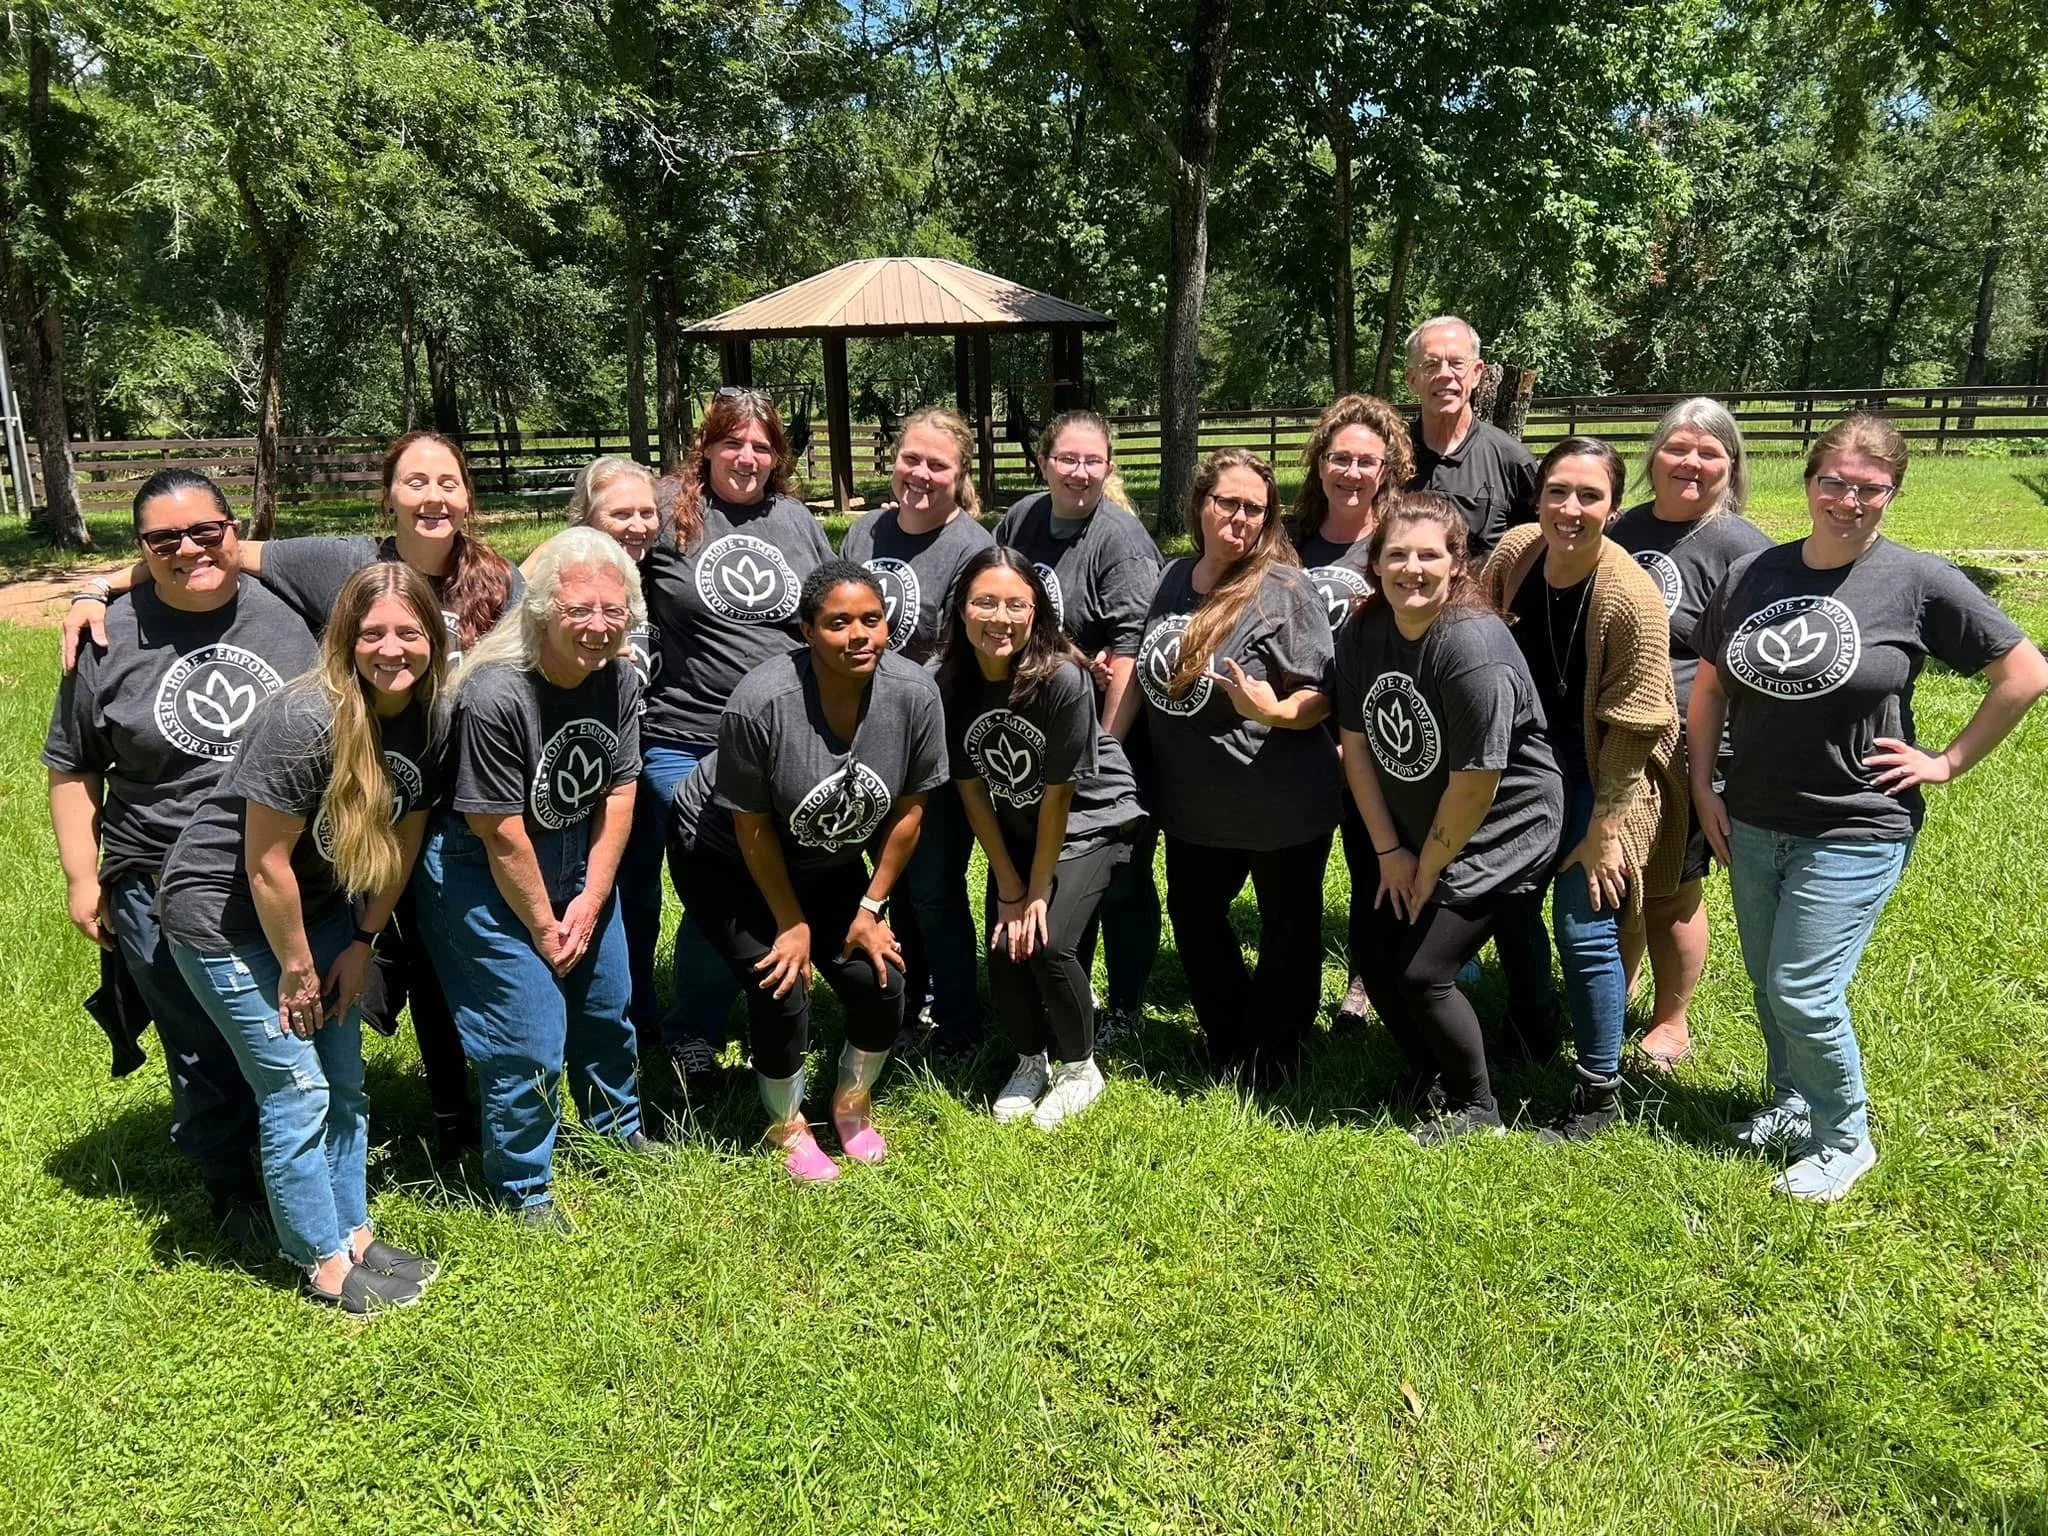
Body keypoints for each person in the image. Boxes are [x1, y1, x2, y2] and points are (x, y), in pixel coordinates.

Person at [64, 430, 522, 1164]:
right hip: (328, 821)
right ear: (388, 495)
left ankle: (446, 1115)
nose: (433, 497)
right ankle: (258, 1164)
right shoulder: (340, 564)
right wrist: (95, 588)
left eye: (448, 481)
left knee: (437, 967)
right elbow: (202, 552)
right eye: (415, 481)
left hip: (441, 814)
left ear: (468, 494)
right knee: (314, 981)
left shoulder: (502, 582)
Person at [1692, 413, 2048, 1201]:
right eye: (1833, 482)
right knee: (1766, 979)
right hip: (1752, 814)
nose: (1848, 500)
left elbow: (2024, 672)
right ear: (1810, 480)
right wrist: (1700, 786)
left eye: (1868, 488)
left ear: (1892, 493)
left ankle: (1845, 1136)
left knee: (1803, 988)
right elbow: (1711, 686)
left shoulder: (1918, 580)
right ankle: (1792, 1102)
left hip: (1856, 822)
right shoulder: (1756, 573)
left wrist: (1946, 761)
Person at [157, 563, 446, 1313]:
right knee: (297, 1086)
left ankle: (353, 1232)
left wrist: (361, 942)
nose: (392, 648)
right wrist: (295, 969)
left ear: (433, 638)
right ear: (345, 639)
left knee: (344, 1081)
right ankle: (319, 1262)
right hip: (223, 916)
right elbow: (263, 862)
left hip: (319, 909)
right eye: (372, 632)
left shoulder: (429, 715)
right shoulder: (306, 719)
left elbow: (404, 835)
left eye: (409, 632)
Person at [44, 470, 319, 1242]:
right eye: (164, 539)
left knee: (292, 1028)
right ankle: (232, 1190)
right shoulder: (106, 637)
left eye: (207, 532)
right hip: (156, 872)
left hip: (287, 868)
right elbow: (73, 767)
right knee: (201, 1045)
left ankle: (305, 1169)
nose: (189, 549)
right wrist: (79, 879)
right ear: (143, 550)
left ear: (238, 532)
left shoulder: (290, 611)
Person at [667, 562, 946, 1182]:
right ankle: (785, 1124)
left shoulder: (914, 694)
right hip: (726, 856)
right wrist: (791, 923)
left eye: (872, 620)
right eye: (838, 623)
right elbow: (751, 826)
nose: (859, 636)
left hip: (826, 856)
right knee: (780, 985)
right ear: (806, 631)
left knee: (882, 981)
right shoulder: (761, 702)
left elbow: (908, 813)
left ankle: (850, 1104)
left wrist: (870, 909)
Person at [413, 528, 651, 1226]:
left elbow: (621, 791)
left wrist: (592, 897)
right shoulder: (496, 694)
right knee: (527, 1037)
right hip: (480, 872)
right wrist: (548, 926)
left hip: (576, 855)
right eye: (579, 610)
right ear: (542, 610)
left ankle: (616, 1127)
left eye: (614, 611)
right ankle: (524, 1189)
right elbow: (498, 828)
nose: (598, 627)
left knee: (607, 1007)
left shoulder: (620, 680)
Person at [1336, 494, 1564, 1141]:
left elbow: (1476, 785)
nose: (1412, 567)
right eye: (1397, 554)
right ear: (1376, 562)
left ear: (1455, 562)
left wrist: (1427, 868)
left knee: (1423, 973)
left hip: (1502, 828)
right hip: (1420, 824)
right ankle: (1430, 1068)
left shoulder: (1471, 647)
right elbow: (1354, 744)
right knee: (1375, 955)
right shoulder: (1364, 630)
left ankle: (1477, 1106)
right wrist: (1389, 854)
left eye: (1428, 554)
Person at [1110, 449, 1340, 1085]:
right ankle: (1231, 1034)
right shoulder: (1176, 576)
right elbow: (1146, 667)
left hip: (1280, 802)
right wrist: (1111, 740)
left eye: (1255, 509)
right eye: (1228, 503)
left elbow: (1322, 693)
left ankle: (1278, 1052)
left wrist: (1272, 707)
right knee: (1196, 919)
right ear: (1200, 506)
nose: (1240, 518)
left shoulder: (1283, 589)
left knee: (1287, 930)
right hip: (1191, 803)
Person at [1480, 437, 1685, 1140]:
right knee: (1507, 903)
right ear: (1537, 499)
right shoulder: (1515, 554)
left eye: (1589, 496)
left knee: (1585, 922)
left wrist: (1605, 829)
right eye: (1557, 492)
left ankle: (1598, 1089)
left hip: (1605, 778)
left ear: (1615, 507)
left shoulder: (1630, 597)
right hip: (1523, 771)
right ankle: (1532, 1021)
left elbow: (1638, 726)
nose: (1571, 509)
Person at [640, 390, 836, 1082]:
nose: (747, 457)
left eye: (761, 446)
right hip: (683, 738)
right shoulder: (668, 510)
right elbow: (595, 567)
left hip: (778, 741)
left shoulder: (793, 519)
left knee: (763, 879)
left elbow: (825, 611)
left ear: (777, 455)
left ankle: (762, 1015)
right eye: (733, 443)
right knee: (718, 877)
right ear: (708, 446)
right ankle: (692, 1027)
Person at [935, 548, 1146, 1128]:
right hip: (1019, 822)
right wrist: (1007, 882)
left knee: (1048, 942)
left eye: (1015, 605)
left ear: (1036, 614)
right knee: (1006, 944)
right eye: (984, 602)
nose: (999, 618)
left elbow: (1060, 796)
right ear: (959, 609)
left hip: (1091, 818)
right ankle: (1031, 1061)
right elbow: (971, 788)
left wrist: (1035, 890)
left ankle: (1081, 1069)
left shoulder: (1062, 679)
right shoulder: (948, 682)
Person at [1607, 399, 1770, 1069]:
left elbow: (1759, 658)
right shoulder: (1622, 529)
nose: (1691, 463)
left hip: (1689, 741)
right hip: (1615, 734)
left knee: (1673, 885)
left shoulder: (1743, 547)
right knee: (1618, 877)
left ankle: (1672, 1021)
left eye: (1710, 452)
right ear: (1654, 456)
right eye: (1678, 448)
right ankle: (1619, 987)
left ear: (1731, 466)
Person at [995, 411, 1163, 1039]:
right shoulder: (1023, 519)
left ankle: (1125, 1004)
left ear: (1109, 467)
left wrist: (1104, 752)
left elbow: (1131, 653)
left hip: (1110, 736)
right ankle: (1065, 985)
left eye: (1094, 461)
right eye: (1067, 458)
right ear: (1044, 462)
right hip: (1035, 739)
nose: (1080, 472)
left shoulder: (1119, 540)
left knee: (1120, 876)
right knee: (1056, 867)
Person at [841, 408, 996, 1054]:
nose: (921, 474)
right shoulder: (864, 534)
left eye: (938, 465)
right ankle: (904, 1011)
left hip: (936, 750)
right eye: (912, 459)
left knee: (933, 891)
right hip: (864, 746)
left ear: (960, 475)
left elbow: (980, 653)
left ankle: (960, 1024)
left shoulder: (973, 549)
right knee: (894, 888)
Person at [1287, 392, 1414, 1025]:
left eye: (1367, 461)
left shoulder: (1400, 544)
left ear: (1387, 468)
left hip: (1380, 743)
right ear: (1320, 463)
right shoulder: (1288, 543)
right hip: (1298, 740)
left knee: (1375, 869)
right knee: (1298, 878)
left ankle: (1367, 984)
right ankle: (1295, 985)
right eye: (1340, 458)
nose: (1352, 473)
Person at [564, 455, 677, 1056]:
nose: (637, 525)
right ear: (586, 517)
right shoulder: (569, 580)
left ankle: (638, 1016)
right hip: (574, 770)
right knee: (583, 896)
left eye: (646, 512)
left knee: (638, 893)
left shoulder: (657, 574)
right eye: (620, 513)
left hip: (639, 758)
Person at [1403, 316, 1538, 562]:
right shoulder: (1388, 456)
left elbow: (1541, 549)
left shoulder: (1511, 460)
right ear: (1412, 379)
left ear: (1476, 373)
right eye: (1431, 365)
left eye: (1456, 363)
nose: (1444, 375)